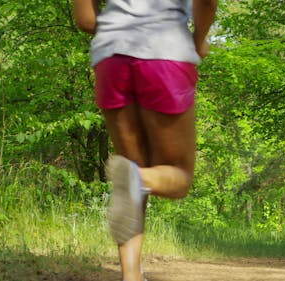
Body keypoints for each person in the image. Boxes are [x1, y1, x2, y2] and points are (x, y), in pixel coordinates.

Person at [73, 1, 217, 281]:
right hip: (166, 51)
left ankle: (131, 275)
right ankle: (137, 178)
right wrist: (199, 40)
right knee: (177, 176)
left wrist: (118, 32)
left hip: (110, 56)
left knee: (131, 172)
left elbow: (86, 21)